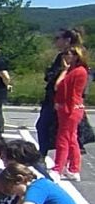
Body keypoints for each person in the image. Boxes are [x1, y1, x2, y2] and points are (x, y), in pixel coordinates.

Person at [36, 28, 83, 158]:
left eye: (58, 39)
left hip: (62, 101)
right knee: (63, 133)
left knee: (48, 128)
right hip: (55, 99)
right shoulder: (61, 56)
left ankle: (46, 156)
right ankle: (66, 160)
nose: (56, 42)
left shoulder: (71, 58)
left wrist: (57, 72)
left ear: (67, 40)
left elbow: (59, 80)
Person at [53, 46, 89, 181]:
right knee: (72, 139)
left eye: (69, 54)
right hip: (72, 108)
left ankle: (58, 168)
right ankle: (74, 168)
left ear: (76, 56)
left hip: (70, 108)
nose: (66, 56)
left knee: (63, 139)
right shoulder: (78, 71)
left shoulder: (77, 71)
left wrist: (65, 70)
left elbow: (59, 85)